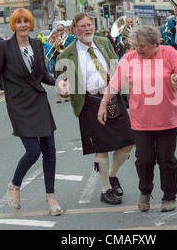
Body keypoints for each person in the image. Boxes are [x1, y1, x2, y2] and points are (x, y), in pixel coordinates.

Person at [97, 25, 177, 213]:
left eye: (143, 46)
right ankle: (145, 191)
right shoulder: (129, 58)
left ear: (156, 43)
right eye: (136, 46)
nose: (139, 50)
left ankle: (169, 195)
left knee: (166, 159)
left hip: (167, 119)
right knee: (144, 160)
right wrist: (103, 103)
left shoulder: (168, 53)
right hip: (141, 121)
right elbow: (115, 83)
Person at [0, 8, 62, 216]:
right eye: (18, 22)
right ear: (13, 25)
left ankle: (51, 196)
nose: (23, 25)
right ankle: (15, 185)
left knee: (50, 151)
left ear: (30, 23)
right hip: (18, 105)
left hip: (38, 101)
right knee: (33, 151)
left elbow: (42, 74)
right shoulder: (4, 47)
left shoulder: (37, 44)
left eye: (25, 21)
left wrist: (59, 84)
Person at [56, 12, 134, 205]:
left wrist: (128, 95)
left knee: (130, 140)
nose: (87, 28)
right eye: (82, 26)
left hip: (113, 97)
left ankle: (112, 175)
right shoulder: (67, 53)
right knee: (102, 148)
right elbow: (59, 78)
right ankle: (106, 189)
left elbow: (117, 67)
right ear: (74, 30)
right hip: (89, 102)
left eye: (89, 24)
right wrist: (63, 87)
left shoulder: (104, 42)